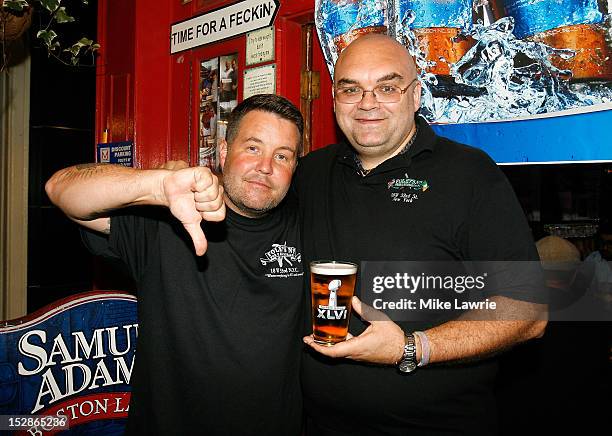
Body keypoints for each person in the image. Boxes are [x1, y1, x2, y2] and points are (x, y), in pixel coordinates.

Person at [295, 34, 548, 435]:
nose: (367, 102)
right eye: (351, 89)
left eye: (388, 87)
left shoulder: (470, 174)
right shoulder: (309, 173)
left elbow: (528, 311)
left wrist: (410, 349)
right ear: (334, 98)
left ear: (416, 96)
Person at [45, 95, 305, 435]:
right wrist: (157, 185)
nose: (266, 166)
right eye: (253, 148)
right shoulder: (164, 221)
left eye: (282, 155)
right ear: (224, 152)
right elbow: (60, 189)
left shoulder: (307, 225)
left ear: (294, 169)